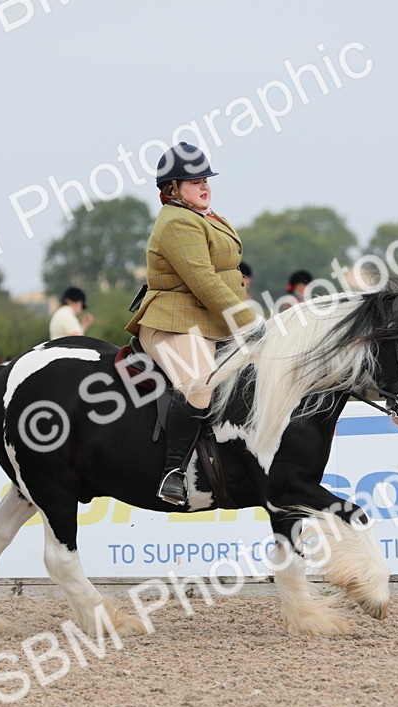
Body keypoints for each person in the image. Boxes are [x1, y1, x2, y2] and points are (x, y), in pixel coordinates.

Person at [125, 142, 258, 506]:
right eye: (193, 181)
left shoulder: (208, 218)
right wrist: (251, 323)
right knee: (199, 385)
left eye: (205, 179)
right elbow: (205, 281)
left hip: (211, 321)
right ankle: (174, 472)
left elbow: (227, 279)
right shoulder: (176, 222)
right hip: (173, 322)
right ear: (171, 189)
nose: (204, 186)